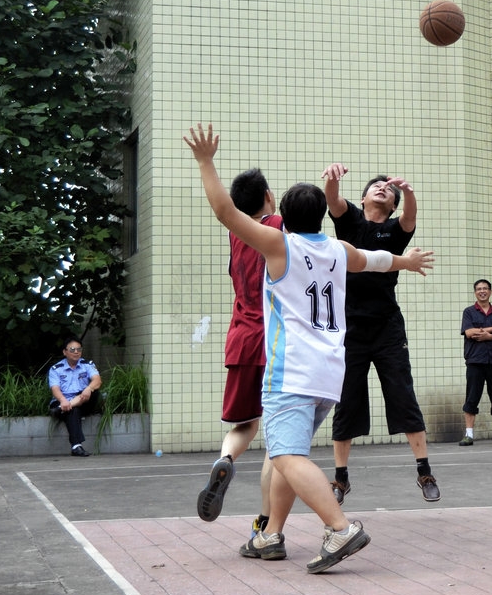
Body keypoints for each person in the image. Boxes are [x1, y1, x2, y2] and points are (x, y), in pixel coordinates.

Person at [186, 126, 434, 572]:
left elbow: (225, 212)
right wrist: (408, 262)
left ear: (281, 214)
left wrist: (206, 161)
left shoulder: (279, 245)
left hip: (292, 370)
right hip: (329, 373)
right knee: (289, 453)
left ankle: (340, 528)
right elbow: (378, 261)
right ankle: (270, 535)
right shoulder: (339, 249)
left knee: (283, 454)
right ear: (325, 214)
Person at [321, 164, 439, 503]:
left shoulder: (395, 231)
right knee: (347, 401)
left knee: (403, 394)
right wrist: (332, 178)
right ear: (362, 198)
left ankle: (424, 471)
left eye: (389, 190)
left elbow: (409, 217)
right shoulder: (350, 220)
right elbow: (332, 198)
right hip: (351, 327)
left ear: (393, 204)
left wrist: (410, 192)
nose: (382, 188)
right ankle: (340, 479)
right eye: (376, 186)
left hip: (387, 326)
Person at [188, 161, 280, 530]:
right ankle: (267, 522)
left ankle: (224, 459)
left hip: (240, 340)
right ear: (269, 197)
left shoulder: (235, 235)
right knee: (279, 442)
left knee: (244, 424)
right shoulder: (274, 227)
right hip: (272, 343)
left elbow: (228, 211)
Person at [459, 279, 492, 445]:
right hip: (475, 361)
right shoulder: (469, 312)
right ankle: (468, 435)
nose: (482, 291)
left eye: (485, 288)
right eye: (479, 289)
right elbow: (469, 333)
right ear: (475, 292)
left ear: (490, 291)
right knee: (472, 397)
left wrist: (488, 336)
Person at [48, 336, 102, 457]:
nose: (76, 352)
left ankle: (63, 409)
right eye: (72, 349)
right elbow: (55, 389)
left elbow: (97, 380)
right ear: (64, 352)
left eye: (79, 349)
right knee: (73, 410)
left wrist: (88, 388)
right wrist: (63, 401)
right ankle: (76, 446)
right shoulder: (56, 369)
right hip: (62, 401)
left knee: (94, 390)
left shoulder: (87, 364)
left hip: (83, 399)